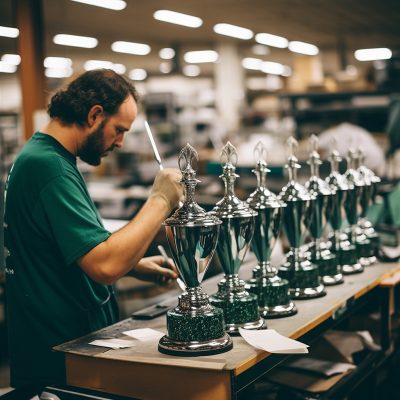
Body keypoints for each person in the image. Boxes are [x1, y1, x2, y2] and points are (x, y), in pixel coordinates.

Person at [3, 69, 183, 394]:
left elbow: (68, 247)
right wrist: (160, 199)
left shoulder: (44, 157)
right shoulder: (50, 168)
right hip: (59, 358)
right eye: (118, 130)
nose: (121, 142)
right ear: (94, 115)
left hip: (66, 349)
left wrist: (135, 264)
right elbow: (105, 265)